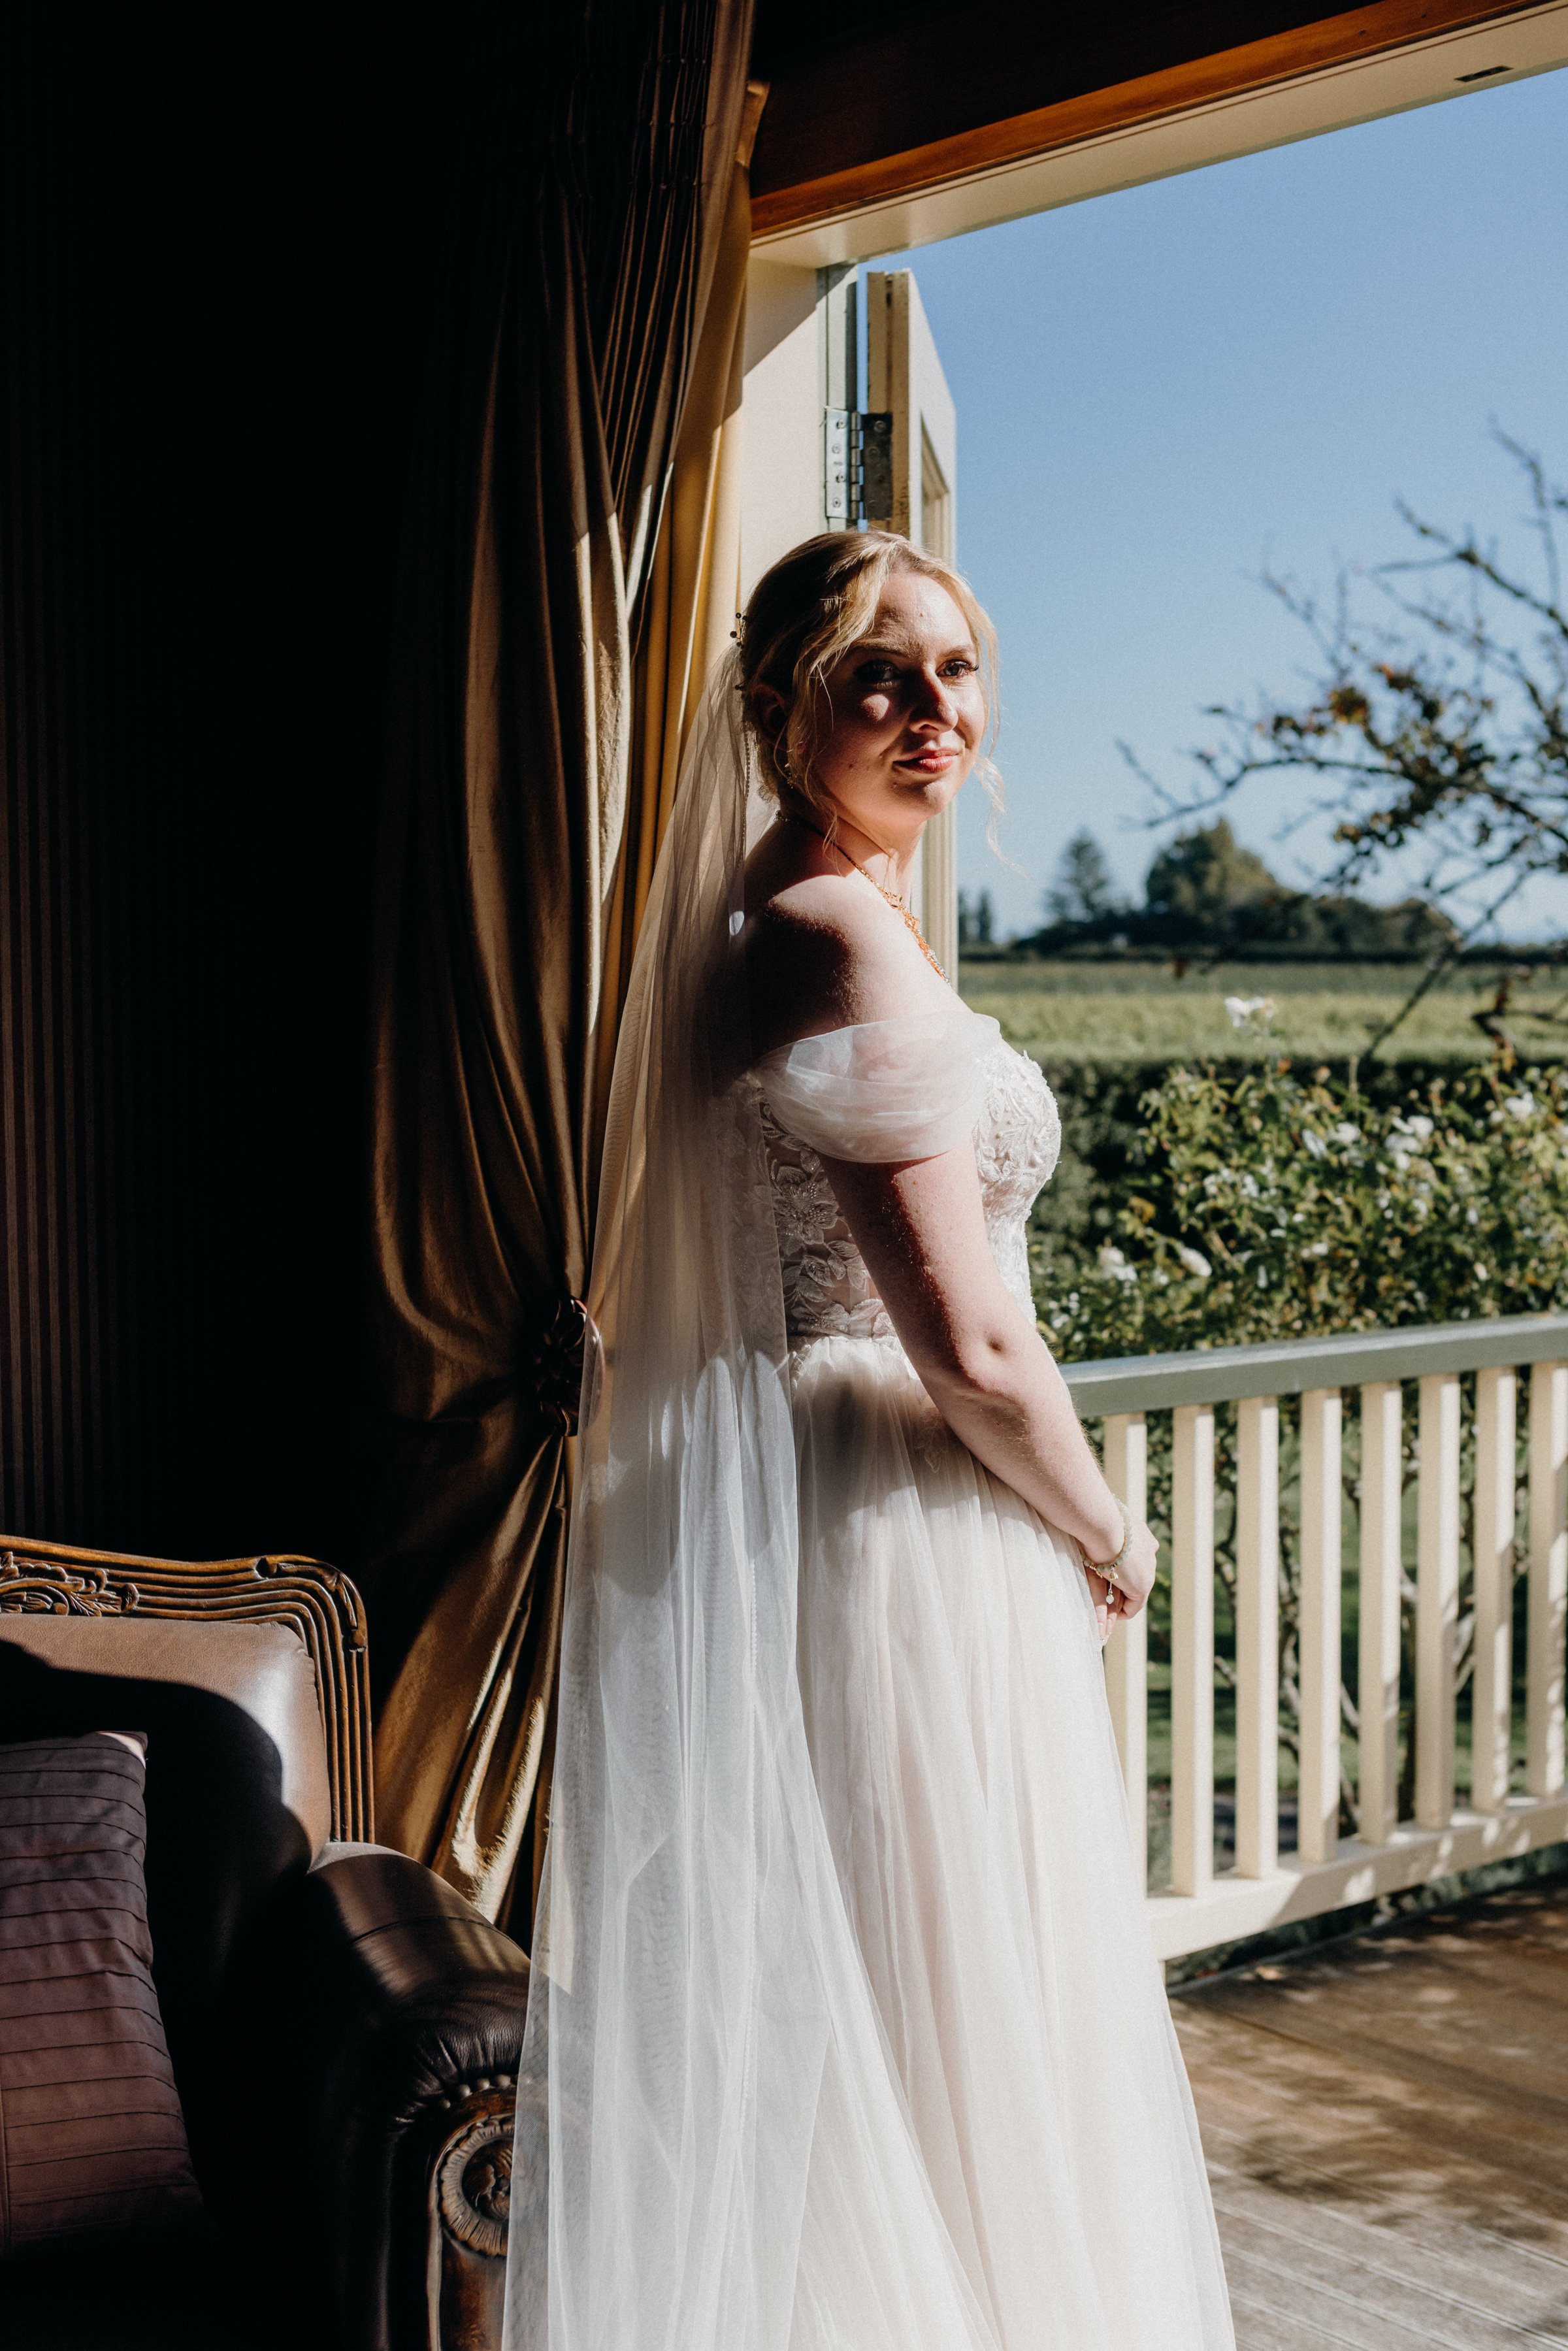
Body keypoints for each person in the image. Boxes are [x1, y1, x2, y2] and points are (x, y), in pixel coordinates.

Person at [504, 532, 1235, 2351]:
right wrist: (1103, 1526)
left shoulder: (799, 906)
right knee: (950, 2006)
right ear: (783, 707)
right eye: (883, 676)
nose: (936, 711)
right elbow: (970, 1336)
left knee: (900, 2000)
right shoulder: (828, 926)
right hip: (898, 1508)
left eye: (958, 671)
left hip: (845, 1502)